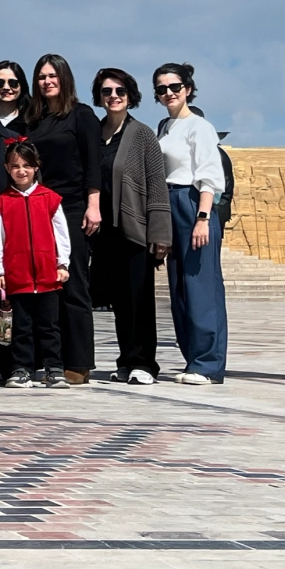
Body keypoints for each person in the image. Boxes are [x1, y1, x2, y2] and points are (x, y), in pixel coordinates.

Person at [23, 53, 101, 383]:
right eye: (42, 77)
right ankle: (48, 359)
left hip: (72, 207)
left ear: (64, 78)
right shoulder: (33, 120)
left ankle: (79, 362)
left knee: (74, 283)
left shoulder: (81, 115)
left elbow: (93, 162)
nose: (47, 81)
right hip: (40, 208)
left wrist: (93, 204)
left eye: (52, 75)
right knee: (44, 285)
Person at [91, 69, 170, 385]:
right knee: (120, 302)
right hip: (103, 233)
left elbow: (156, 184)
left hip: (134, 228)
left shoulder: (142, 135)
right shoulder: (94, 134)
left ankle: (144, 363)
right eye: (106, 91)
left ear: (130, 96)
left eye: (120, 91)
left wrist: (160, 233)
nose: (113, 96)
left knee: (139, 300)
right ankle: (126, 360)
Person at [153, 63, 229, 385]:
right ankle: (192, 360)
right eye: (162, 89)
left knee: (201, 286)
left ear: (187, 89)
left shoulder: (200, 126)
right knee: (179, 288)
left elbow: (210, 175)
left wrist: (202, 218)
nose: (169, 93)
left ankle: (208, 365)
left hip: (192, 201)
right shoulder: (164, 127)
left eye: (175, 87)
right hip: (168, 202)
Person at [0, 140, 72, 388]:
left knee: (49, 326)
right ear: (7, 168)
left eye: (26, 165)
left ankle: (54, 368)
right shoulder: (2, 202)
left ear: (36, 167)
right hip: (18, 276)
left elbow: (62, 235)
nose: (21, 171)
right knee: (21, 327)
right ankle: (21, 368)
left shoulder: (50, 199)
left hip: (47, 276)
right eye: (15, 166)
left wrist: (62, 264)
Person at [0, 61, 28, 130]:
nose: (6, 87)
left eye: (13, 83)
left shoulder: (34, 119)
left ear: (22, 86)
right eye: (0, 83)